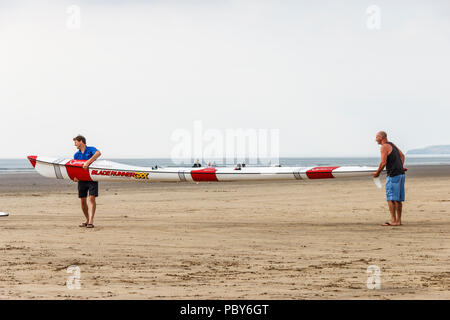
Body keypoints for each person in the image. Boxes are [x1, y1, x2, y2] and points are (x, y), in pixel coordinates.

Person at [372, 131, 405, 226]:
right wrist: (399, 167)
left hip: (393, 175)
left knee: (390, 198)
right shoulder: (392, 144)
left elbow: (383, 163)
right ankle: (398, 221)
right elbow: (402, 156)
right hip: (401, 174)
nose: (375, 140)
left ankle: (393, 221)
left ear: (381, 137)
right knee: (398, 199)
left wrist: (377, 173)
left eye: (376, 137)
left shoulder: (384, 147)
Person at [73, 135, 101, 228]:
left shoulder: (90, 149)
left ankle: (91, 221)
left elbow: (98, 153)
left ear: (81, 141)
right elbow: (75, 167)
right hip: (81, 180)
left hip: (92, 178)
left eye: (76, 142)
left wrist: (88, 162)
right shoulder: (76, 155)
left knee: (92, 198)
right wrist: (75, 177)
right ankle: (87, 219)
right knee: (82, 201)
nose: (75, 144)